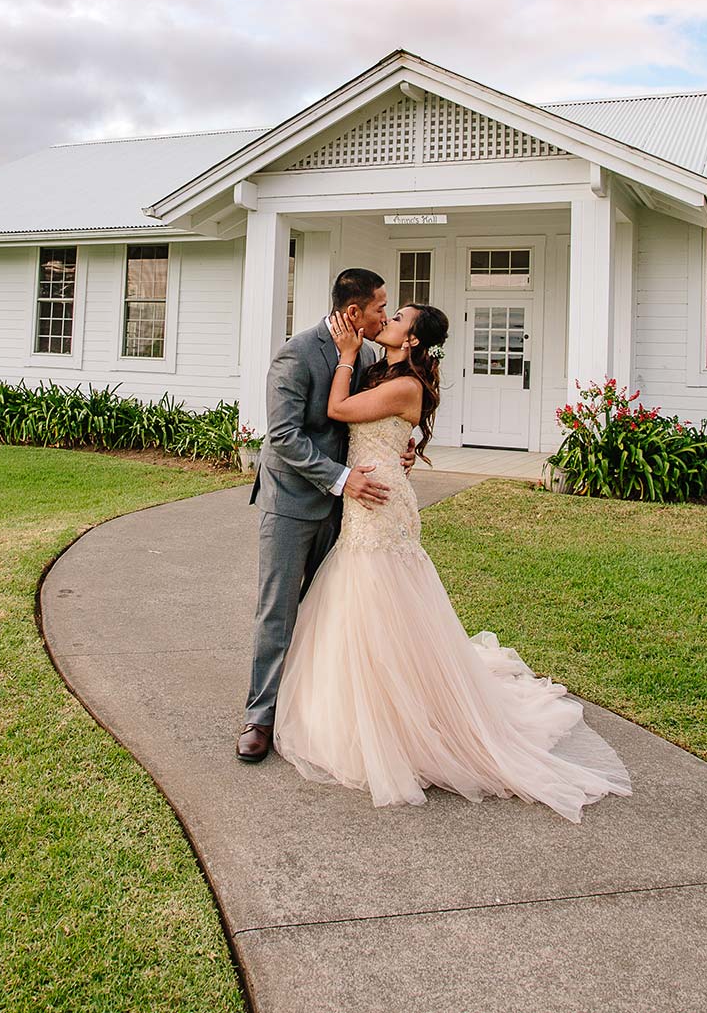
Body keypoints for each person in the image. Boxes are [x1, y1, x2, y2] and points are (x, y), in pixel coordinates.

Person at [272, 302, 634, 823]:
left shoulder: (404, 384)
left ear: (414, 340)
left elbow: (339, 412)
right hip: (365, 493)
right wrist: (395, 430)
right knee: (361, 601)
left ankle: (398, 719)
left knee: (379, 595)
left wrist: (348, 355)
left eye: (397, 319)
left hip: (380, 505)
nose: (388, 322)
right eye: (387, 314)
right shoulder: (386, 367)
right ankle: (360, 705)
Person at [236, 268, 416, 763]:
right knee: (279, 610)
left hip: (349, 509)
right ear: (354, 311)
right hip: (293, 503)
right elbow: (284, 437)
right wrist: (342, 478)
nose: (386, 313)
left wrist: (403, 448)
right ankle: (261, 717)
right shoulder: (297, 353)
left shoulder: (370, 357)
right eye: (381, 306)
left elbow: (379, 415)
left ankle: (310, 709)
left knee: (327, 612)